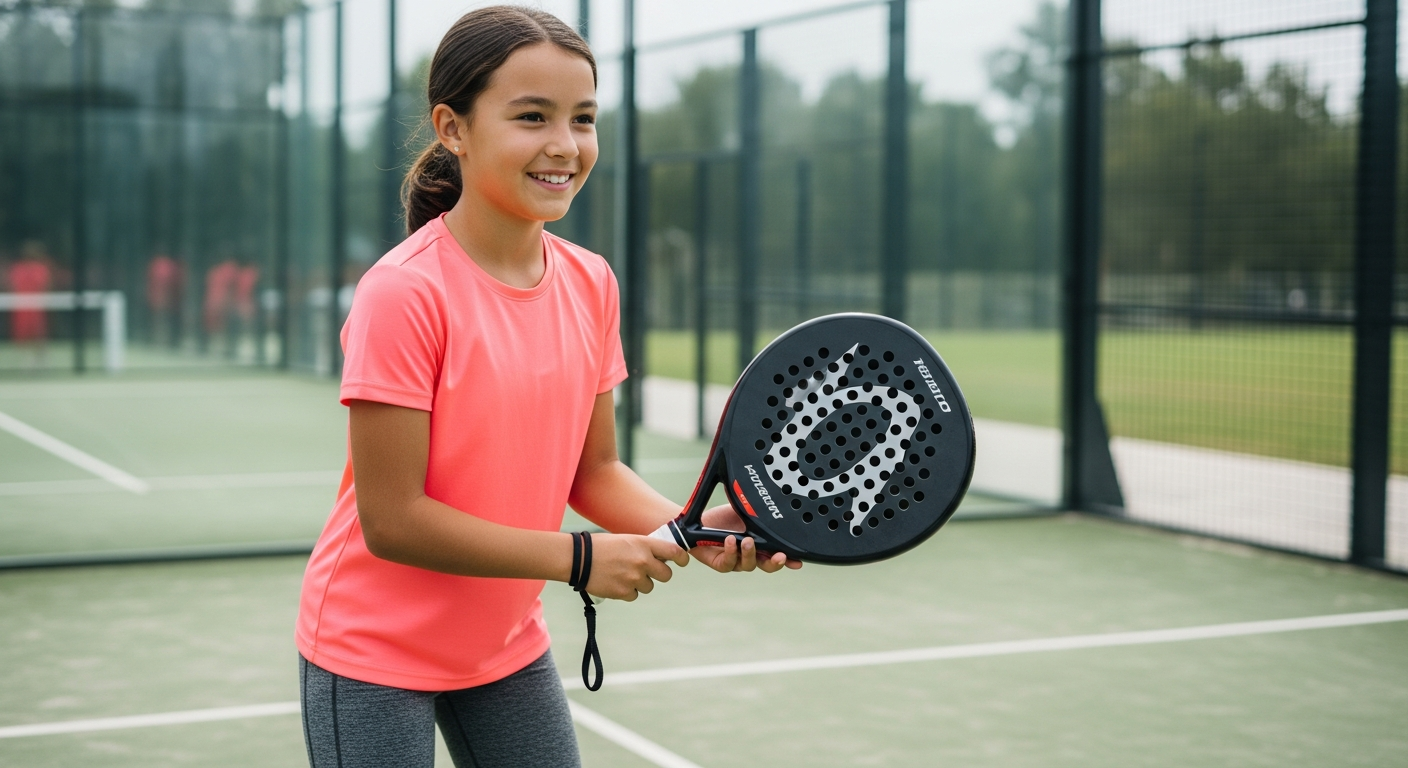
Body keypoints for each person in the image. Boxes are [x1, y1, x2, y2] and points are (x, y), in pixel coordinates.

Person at [294, 8, 799, 767]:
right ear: (453, 128)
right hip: (370, 655)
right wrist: (581, 560)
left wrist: (697, 526)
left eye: (584, 118)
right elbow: (392, 520)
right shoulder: (402, 293)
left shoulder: (592, 282)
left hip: (504, 648)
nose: (564, 145)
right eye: (532, 117)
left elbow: (592, 472)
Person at [8, 241, 53, 370]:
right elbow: (12, 286)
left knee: (39, 334)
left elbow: (47, 286)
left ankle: (42, 361)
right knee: (23, 335)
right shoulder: (18, 269)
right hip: (22, 308)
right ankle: (27, 361)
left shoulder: (41, 268)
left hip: (37, 308)